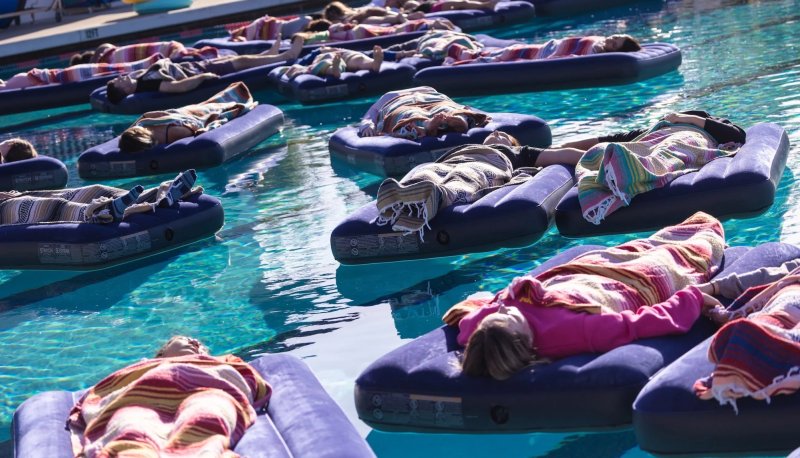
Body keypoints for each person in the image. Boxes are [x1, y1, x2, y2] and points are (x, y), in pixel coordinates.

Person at [441, 211, 727, 380]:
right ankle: (699, 236)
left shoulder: (480, 332)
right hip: (617, 289)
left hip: (577, 277)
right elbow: (637, 324)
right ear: (525, 341)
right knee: (688, 248)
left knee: (632, 248)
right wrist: (692, 299)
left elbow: (471, 309)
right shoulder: (574, 331)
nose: (502, 311)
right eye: (509, 319)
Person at [68, 335, 271, 456]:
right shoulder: (142, 367)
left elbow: (250, 381)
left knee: (206, 415)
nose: (195, 342)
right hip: (143, 397)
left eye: (201, 346)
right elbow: (111, 386)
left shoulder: (221, 361)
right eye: (183, 339)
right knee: (131, 424)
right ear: (162, 354)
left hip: (208, 391)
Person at [375, 130, 543, 238]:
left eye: (504, 137)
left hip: (486, 165)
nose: (498, 133)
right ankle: (405, 193)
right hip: (450, 162)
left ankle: (438, 196)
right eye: (494, 133)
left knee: (465, 178)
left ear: (513, 145)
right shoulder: (466, 147)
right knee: (428, 171)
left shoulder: (517, 153)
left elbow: (563, 154)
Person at [694, 265, 800, 410]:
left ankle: (776, 346)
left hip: (787, 304)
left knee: (781, 314)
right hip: (786, 303)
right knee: (779, 313)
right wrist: (713, 286)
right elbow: (770, 275)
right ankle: (773, 345)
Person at [104, 37, 304, 104]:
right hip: (199, 70)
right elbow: (178, 87)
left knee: (234, 59)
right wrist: (203, 76)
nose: (122, 77)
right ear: (125, 91)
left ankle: (269, 55)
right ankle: (284, 57)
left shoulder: (140, 81)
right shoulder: (147, 85)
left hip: (194, 65)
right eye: (120, 81)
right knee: (240, 61)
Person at [0, 169, 200, 225]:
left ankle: (159, 195)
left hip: (10, 196)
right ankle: (99, 213)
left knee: (93, 190)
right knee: (50, 206)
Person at [118, 81, 256, 153]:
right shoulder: (143, 124)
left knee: (219, 106)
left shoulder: (172, 134)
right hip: (178, 115)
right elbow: (147, 114)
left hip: (189, 116)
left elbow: (195, 127)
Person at [358, 86, 490, 140]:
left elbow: (370, 114)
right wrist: (368, 124)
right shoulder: (388, 96)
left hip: (418, 101)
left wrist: (368, 124)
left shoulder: (387, 96)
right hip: (423, 100)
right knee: (445, 109)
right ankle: (458, 118)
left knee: (409, 114)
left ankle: (425, 125)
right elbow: (370, 116)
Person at [443, 34, 641, 65]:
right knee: (510, 50)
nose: (612, 38)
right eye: (616, 37)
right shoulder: (599, 41)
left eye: (615, 43)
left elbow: (567, 57)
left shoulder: (595, 55)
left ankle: (463, 56)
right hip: (545, 46)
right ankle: (470, 53)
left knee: (501, 56)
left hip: (543, 54)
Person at [0, 54, 163, 90]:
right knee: (112, 69)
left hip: (66, 75)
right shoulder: (13, 82)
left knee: (111, 70)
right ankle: (153, 62)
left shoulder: (9, 85)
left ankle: (153, 62)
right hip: (66, 74)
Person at [70, 40, 229, 65]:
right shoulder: (110, 53)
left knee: (190, 58)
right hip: (170, 47)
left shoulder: (103, 58)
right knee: (190, 55)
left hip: (169, 52)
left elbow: (93, 66)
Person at [272, 45, 384, 80]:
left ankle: (374, 63)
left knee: (355, 58)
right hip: (335, 58)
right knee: (356, 59)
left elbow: (301, 62)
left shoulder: (323, 53)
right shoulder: (322, 52)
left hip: (333, 59)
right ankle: (373, 63)